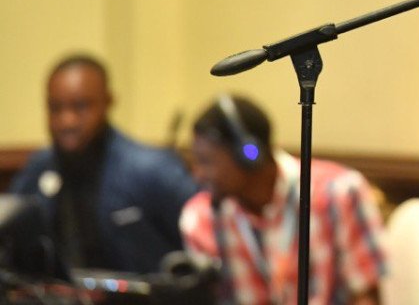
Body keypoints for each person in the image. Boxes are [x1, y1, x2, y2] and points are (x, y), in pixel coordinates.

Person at [179, 94, 386, 304]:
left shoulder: (340, 193)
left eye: (206, 161)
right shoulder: (201, 218)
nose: (198, 175)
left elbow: (365, 295)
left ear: (249, 154)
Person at [9, 54, 198, 274]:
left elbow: (206, 241)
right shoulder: (37, 171)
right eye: (55, 108)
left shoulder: (152, 169)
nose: (66, 121)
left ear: (108, 101)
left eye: (80, 107)